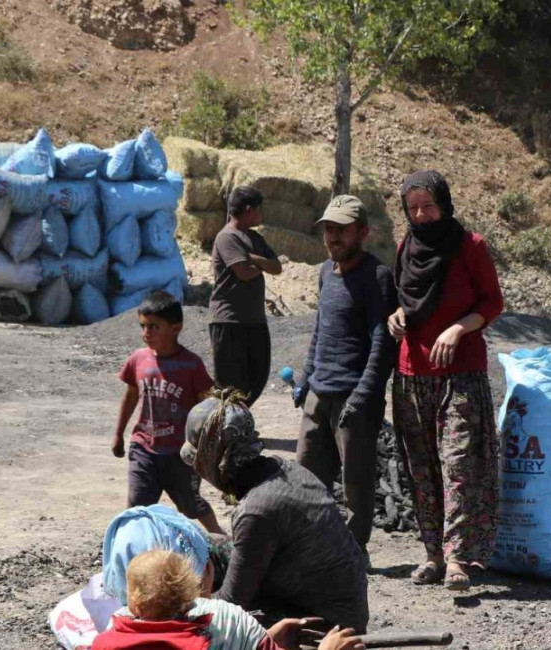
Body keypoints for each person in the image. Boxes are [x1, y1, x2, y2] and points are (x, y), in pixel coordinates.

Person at [385, 170, 504, 592]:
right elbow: (404, 300)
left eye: (429, 205)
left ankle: (458, 558)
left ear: (445, 204)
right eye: (414, 207)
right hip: (411, 374)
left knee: (457, 466)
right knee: (421, 468)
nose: (421, 214)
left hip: (460, 375)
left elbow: (493, 302)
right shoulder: (405, 249)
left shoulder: (470, 247)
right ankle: (432, 554)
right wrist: (396, 317)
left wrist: (458, 329)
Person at [181, 389, 369, 631]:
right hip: (335, 601)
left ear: (213, 458)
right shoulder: (284, 468)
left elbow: (231, 604)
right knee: (202, 546)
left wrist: (177, 606)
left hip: (327, 625)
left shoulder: (258, 510)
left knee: (205, 621)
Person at [294, 194, 397, 551]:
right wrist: (306, 379)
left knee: (356, 482)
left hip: (355, 399)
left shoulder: (377, 276)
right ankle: (309, 546)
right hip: (319, 393)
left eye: (342, 230)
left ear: (363, 232)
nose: (333, 237)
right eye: (328, 230)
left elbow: (382, 342)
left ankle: (354, 552)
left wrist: (363, 395)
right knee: (305, 477)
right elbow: (320, 331)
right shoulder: (325, 271)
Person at [111, 291, 224, 534]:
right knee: (137, 507)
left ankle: (220, 538)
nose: (146, 333)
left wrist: (208, 447)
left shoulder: (191, 365)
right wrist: (118, 433)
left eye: (153, 327)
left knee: (191, 505)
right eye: (142, 326)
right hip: (144, 448)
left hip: (180, 454)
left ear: (175, 328)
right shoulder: (137, 360)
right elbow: (131, 396)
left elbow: (209, 406)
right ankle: (132, 549)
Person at [93, 550, 364, 650]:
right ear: (190, 599)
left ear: (134, 605)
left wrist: (267, 638)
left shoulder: (105, 642)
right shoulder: (210, 632)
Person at [208, 186, 282, 406]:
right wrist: (260, 264)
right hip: (229, 320)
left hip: (254, 320)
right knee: (230, 383)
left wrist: (253, 258)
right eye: (259, 210)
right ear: (249, 210)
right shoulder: (227, 237)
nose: (261, 215)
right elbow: (244, 273)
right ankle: (225, 429)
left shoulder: (255, 238)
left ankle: (238, 423)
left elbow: (276, 267)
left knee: (257, 376)